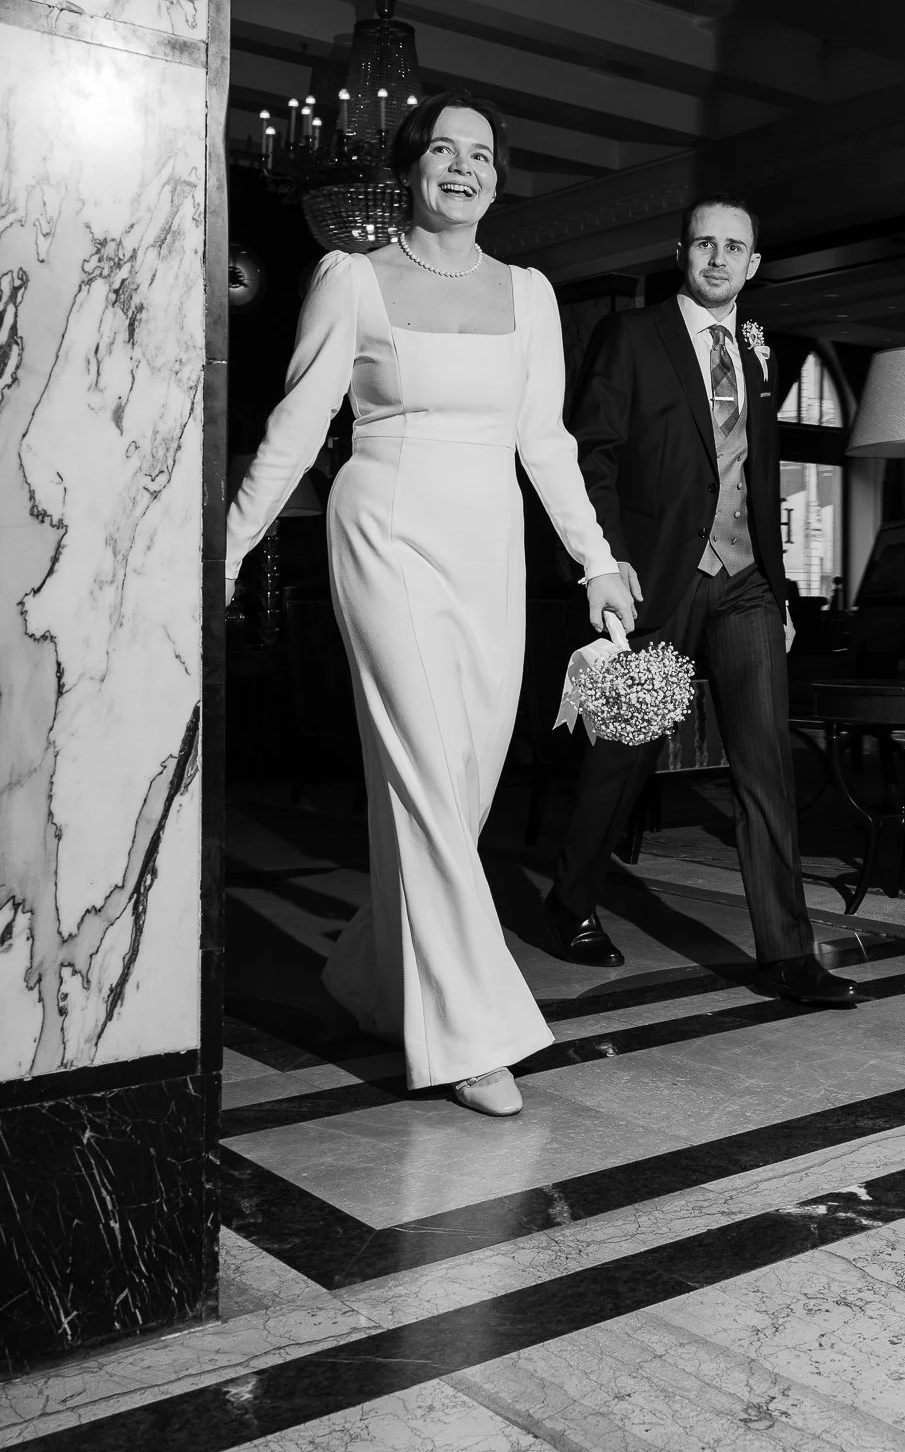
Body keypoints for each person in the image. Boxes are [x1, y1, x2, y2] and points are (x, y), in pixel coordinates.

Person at [225, 90, 635, 1116]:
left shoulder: (531, 292)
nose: (463, 166)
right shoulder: (352, 278)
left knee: (461, 784)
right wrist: (226, 544)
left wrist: (596, 560)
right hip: (385, 532)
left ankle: (373, 973)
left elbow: (546, 442)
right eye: (443, 150)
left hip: (487, 545)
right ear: (408, 170)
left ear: (499, 177)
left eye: (482, 154)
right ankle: (469, 1033)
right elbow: (295, 426)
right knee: (417, 766)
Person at [543, 195, 857, 1008]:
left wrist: (781, 592)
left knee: (765, 767)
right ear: (682, 253)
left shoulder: (759, 353)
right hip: (656, 576)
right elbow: (593, 455)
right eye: (705, 244)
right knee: (623, 754)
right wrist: (604, 562)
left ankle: (787, 953)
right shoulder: (634, 336)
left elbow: (761, 475)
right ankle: (570, 901)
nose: (719, 258)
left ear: (754, 265)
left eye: (735, 248)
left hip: (746, 582)